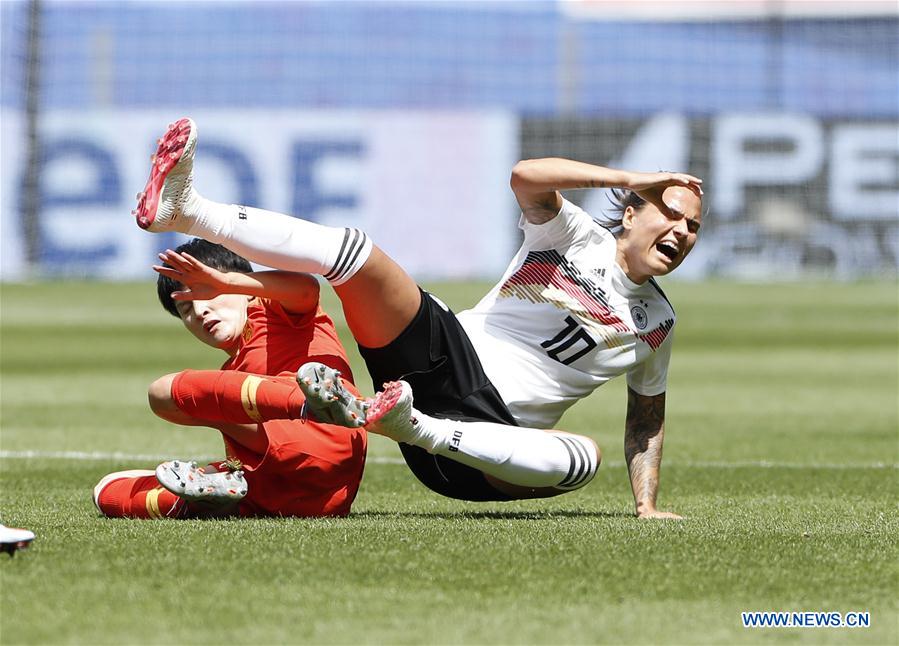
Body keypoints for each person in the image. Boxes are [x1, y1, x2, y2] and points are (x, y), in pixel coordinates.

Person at [134, 117, 703, 517]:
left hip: (481, 448)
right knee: (355, 255)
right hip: (445, 358)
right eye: (670, 212)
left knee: (582, 460)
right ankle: (189, 209)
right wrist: (632, 176)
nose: (681, 232)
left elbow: (646, 418)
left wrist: (646, 505)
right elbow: (527, 175)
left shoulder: (657, 323)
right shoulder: (573, 235)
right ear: (631, 213)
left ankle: (409, 426)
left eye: (694, 227)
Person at [92, 239, 367, 519]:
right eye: (186, 310)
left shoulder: (273, 312)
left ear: (244, 289)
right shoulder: (231, 378)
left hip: (325, 436)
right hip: (306, 501)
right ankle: (213, 487)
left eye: (207, 294)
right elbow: (106, 489)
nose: (199, 312)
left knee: (164, 393)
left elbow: (307, 289)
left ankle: (317, 404)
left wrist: (232, 281)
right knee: (107, 494)